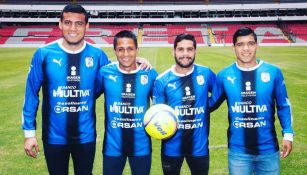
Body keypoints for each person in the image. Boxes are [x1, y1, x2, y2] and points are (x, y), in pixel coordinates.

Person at [209, 27, 294, 175]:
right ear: (234, 47)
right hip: (238, 152)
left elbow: (283, 105)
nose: (246, 49)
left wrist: (288, 134)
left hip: (268, 150)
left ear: (257, 45)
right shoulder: (224, 75)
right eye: (240, 44)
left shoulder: (273, 72)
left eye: (250, 43)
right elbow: (210, 104)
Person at [153, 33, 216, 175]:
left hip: (199, 147)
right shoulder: (162, 80)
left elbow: (218, 94)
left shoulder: (205, 73)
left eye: (189, 49)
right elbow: (158, 113)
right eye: (180, 49)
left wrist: (204, 107)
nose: (185, 54)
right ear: (173, 51)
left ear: (195, 51)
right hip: (171, 147)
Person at [97, 30, 158, 175]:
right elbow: (88, 95)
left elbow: (160, 105)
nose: (126, 54)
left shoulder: (149, 73)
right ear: (115, 51)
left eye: (130, 49)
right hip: (113, 147)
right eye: (121, 49)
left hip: (141, 147)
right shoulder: (104, 72)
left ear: (137, 49)